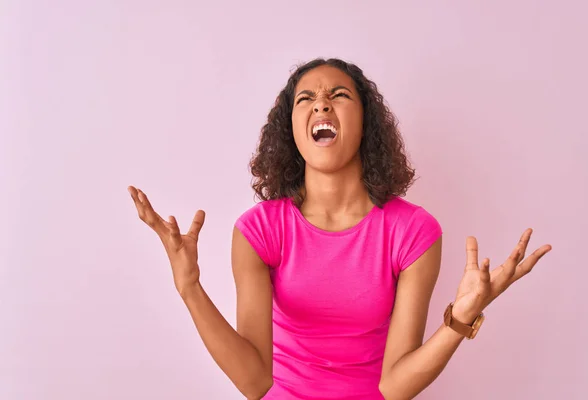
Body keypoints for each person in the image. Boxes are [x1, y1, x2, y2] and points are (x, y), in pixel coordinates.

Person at [127, 58, 552, 400]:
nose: (321, 104)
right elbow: (254, 382)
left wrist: (461, 318)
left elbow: (395, 387)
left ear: (366, 123)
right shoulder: (259, 230)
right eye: (306, 98)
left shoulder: (414, 232)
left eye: (339, 95)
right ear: (291, 130)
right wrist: (190, 288)